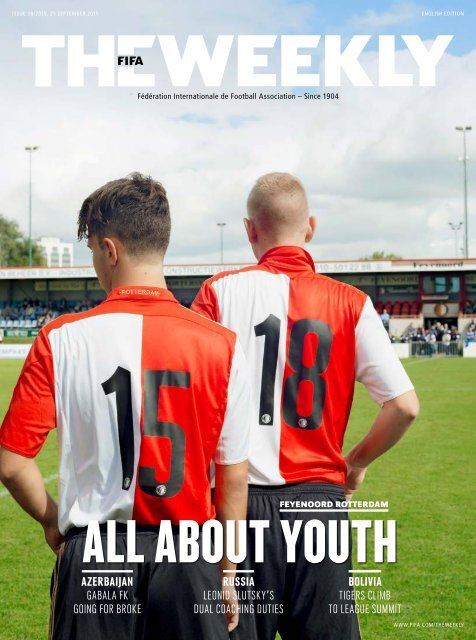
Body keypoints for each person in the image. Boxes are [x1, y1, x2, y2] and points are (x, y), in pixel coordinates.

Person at [0, 173, 250, 640]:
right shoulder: (224, 344)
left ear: (110, 250)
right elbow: (233, 476)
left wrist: (54, 522)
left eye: (93, 250)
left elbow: (13, 463)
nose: (95, 262)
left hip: (94, 556)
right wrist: (229, 567)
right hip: (190, 554)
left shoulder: (60, 339)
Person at [192, 172, 419, 640]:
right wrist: (354, 464)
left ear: (249, 230)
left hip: (237, 506)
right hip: (318, 507)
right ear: (310, 227)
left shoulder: (216, 293)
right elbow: (404, 406)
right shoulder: (351, 303)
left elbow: (190, 402)